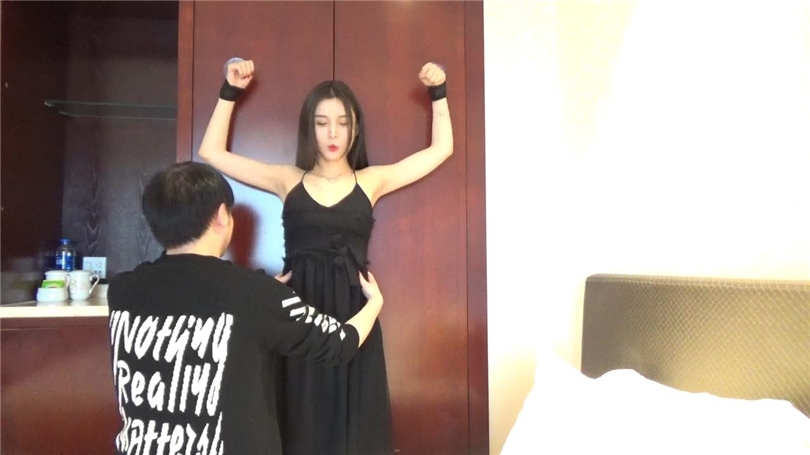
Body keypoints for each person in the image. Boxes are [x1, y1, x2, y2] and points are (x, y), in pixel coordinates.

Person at [198, 58, 453, 455]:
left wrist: (438, 92)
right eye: (322, 122)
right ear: (309, 127)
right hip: (296, 313)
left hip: (355, 314)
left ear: (355, 128)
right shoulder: (287, 179)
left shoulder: (371, 180)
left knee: (354, 426)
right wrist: (230, 90)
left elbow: (442, 149)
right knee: (299, 420)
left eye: (343, 122)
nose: (333, 133)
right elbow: (211, 152)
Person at [106, 161, 385, 455]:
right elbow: (338, 343)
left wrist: (262, 298)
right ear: (221, 216)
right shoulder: (255, 294)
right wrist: (374, 303)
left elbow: (192, 298)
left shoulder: (123, 291)